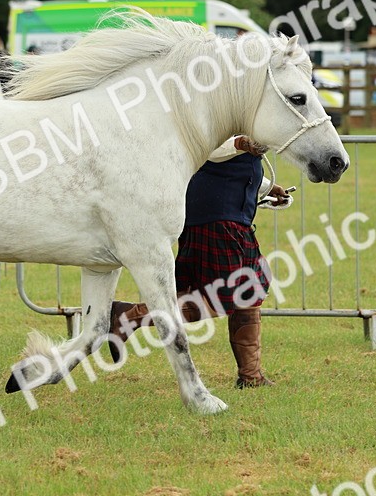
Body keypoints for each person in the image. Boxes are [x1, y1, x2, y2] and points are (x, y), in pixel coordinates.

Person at [107, 136, 292, 389]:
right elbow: (206, 145)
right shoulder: (227, 105)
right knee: (221, 296)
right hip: (216, 218)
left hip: (228, 219)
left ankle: (251, 376)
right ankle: (130, 316)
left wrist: (266, 187)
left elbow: (233, 162)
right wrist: (239, 143)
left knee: (251, 289)